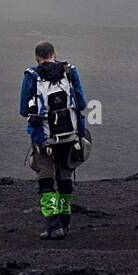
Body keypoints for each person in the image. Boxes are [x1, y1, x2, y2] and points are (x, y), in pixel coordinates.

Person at [19, 41, 90, 240]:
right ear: (55, 54)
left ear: (36, 58)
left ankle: (53, 226)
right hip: (70, 136)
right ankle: (65, 225)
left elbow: (24, 110)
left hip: (44, 138)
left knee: (46, 180)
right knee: (65, 178)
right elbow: (82, 103)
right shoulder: (70, 71)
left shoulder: (31, 75)